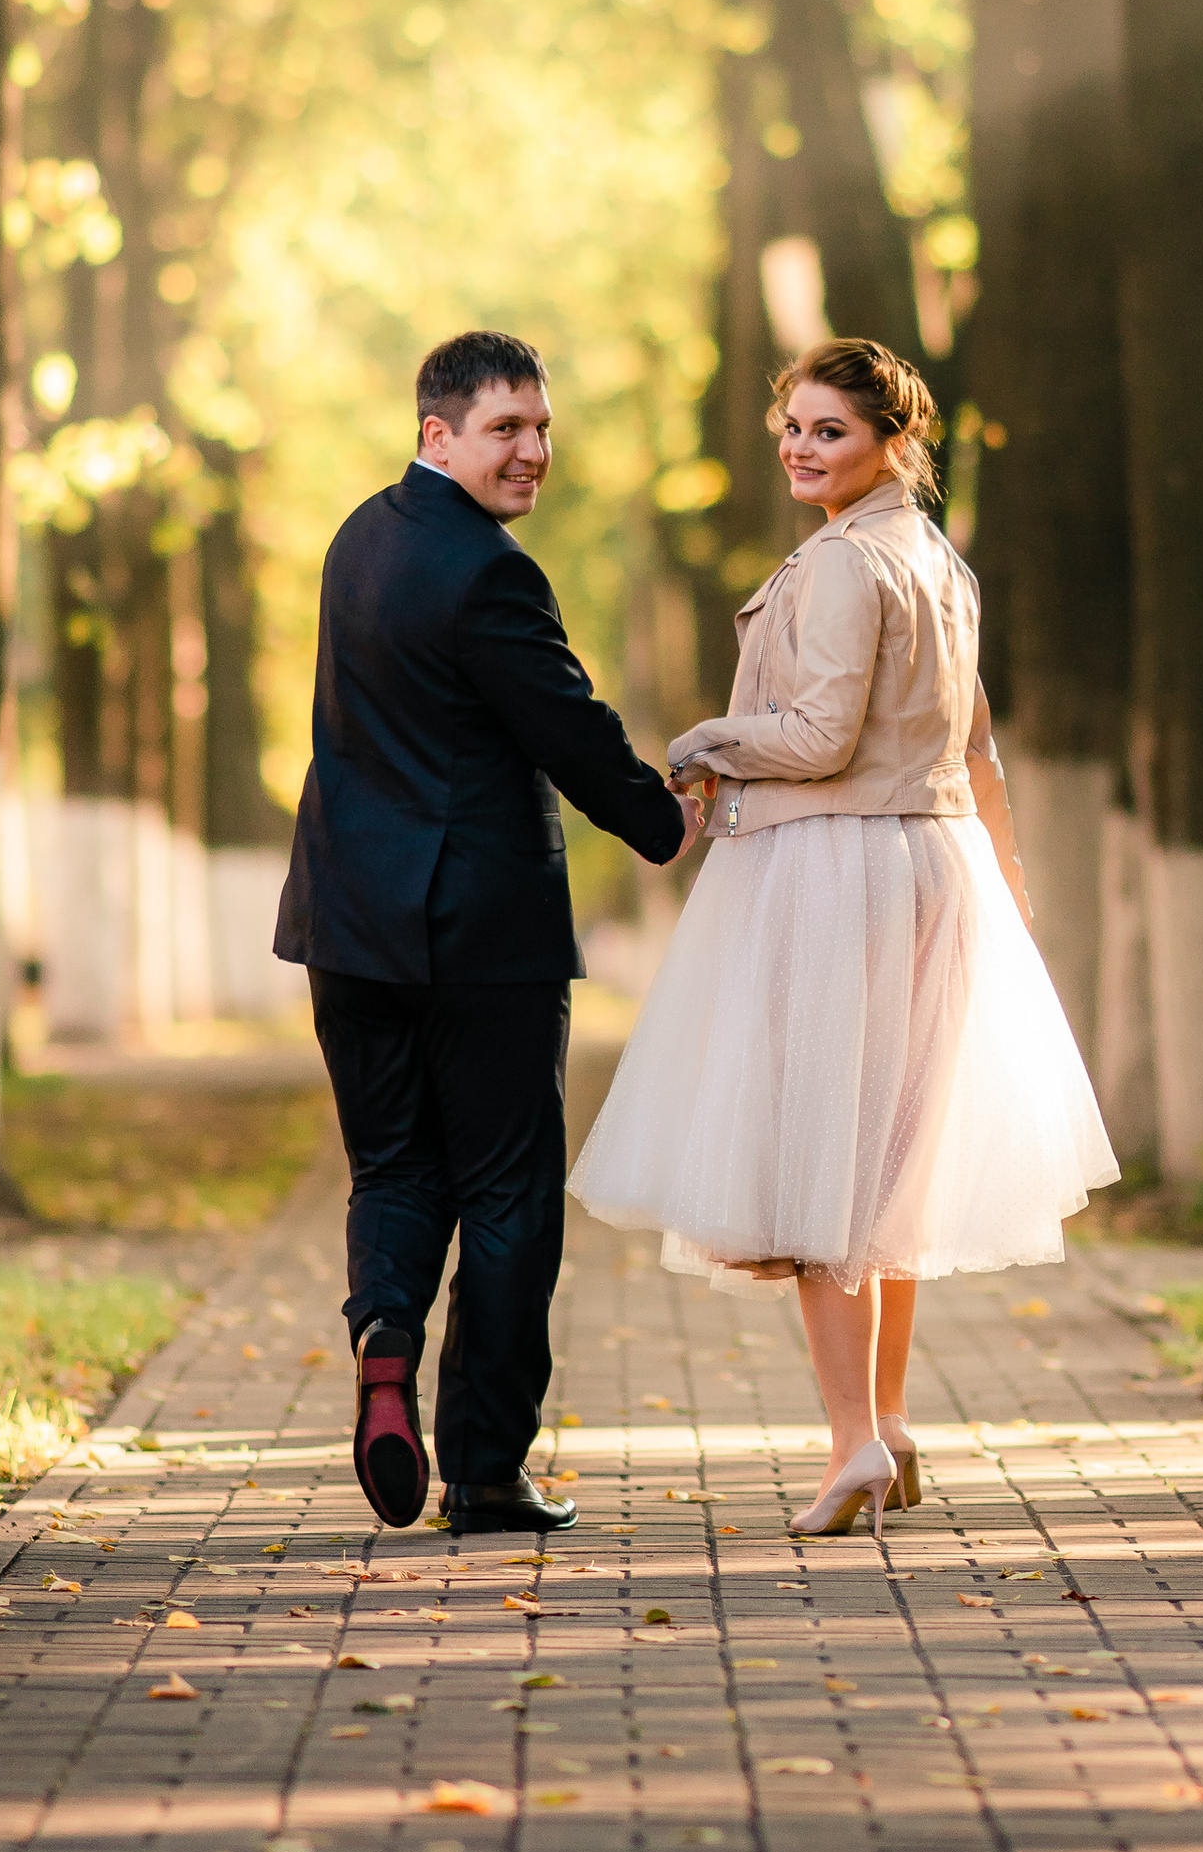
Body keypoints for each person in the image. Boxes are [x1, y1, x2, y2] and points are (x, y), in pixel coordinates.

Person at [570, 336, 1116, 1538]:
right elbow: (976, 746)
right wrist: (1006, 885)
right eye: (793, 426)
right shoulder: (940, 564)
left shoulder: (839, 566)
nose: (799, 447)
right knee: (891, 1163)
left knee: (820, 1161)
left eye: (828, 430)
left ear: (893, 443)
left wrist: (702, 745)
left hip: (835, 868)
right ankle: (891, 1418)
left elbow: (816, 736)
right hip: (936, 862)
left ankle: (853, 1440)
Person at [276, 331, 700, 1538]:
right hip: (479, 933)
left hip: (349, 922)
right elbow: (562, 724)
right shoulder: (489, 571)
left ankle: (384, 1334)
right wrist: (661, 821)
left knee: (396, 1167)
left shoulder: (359, 538)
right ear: (437, 435)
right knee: (508, 1191)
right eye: (506, 428)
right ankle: (482, 1469)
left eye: (542, 428)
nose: (532, 452)